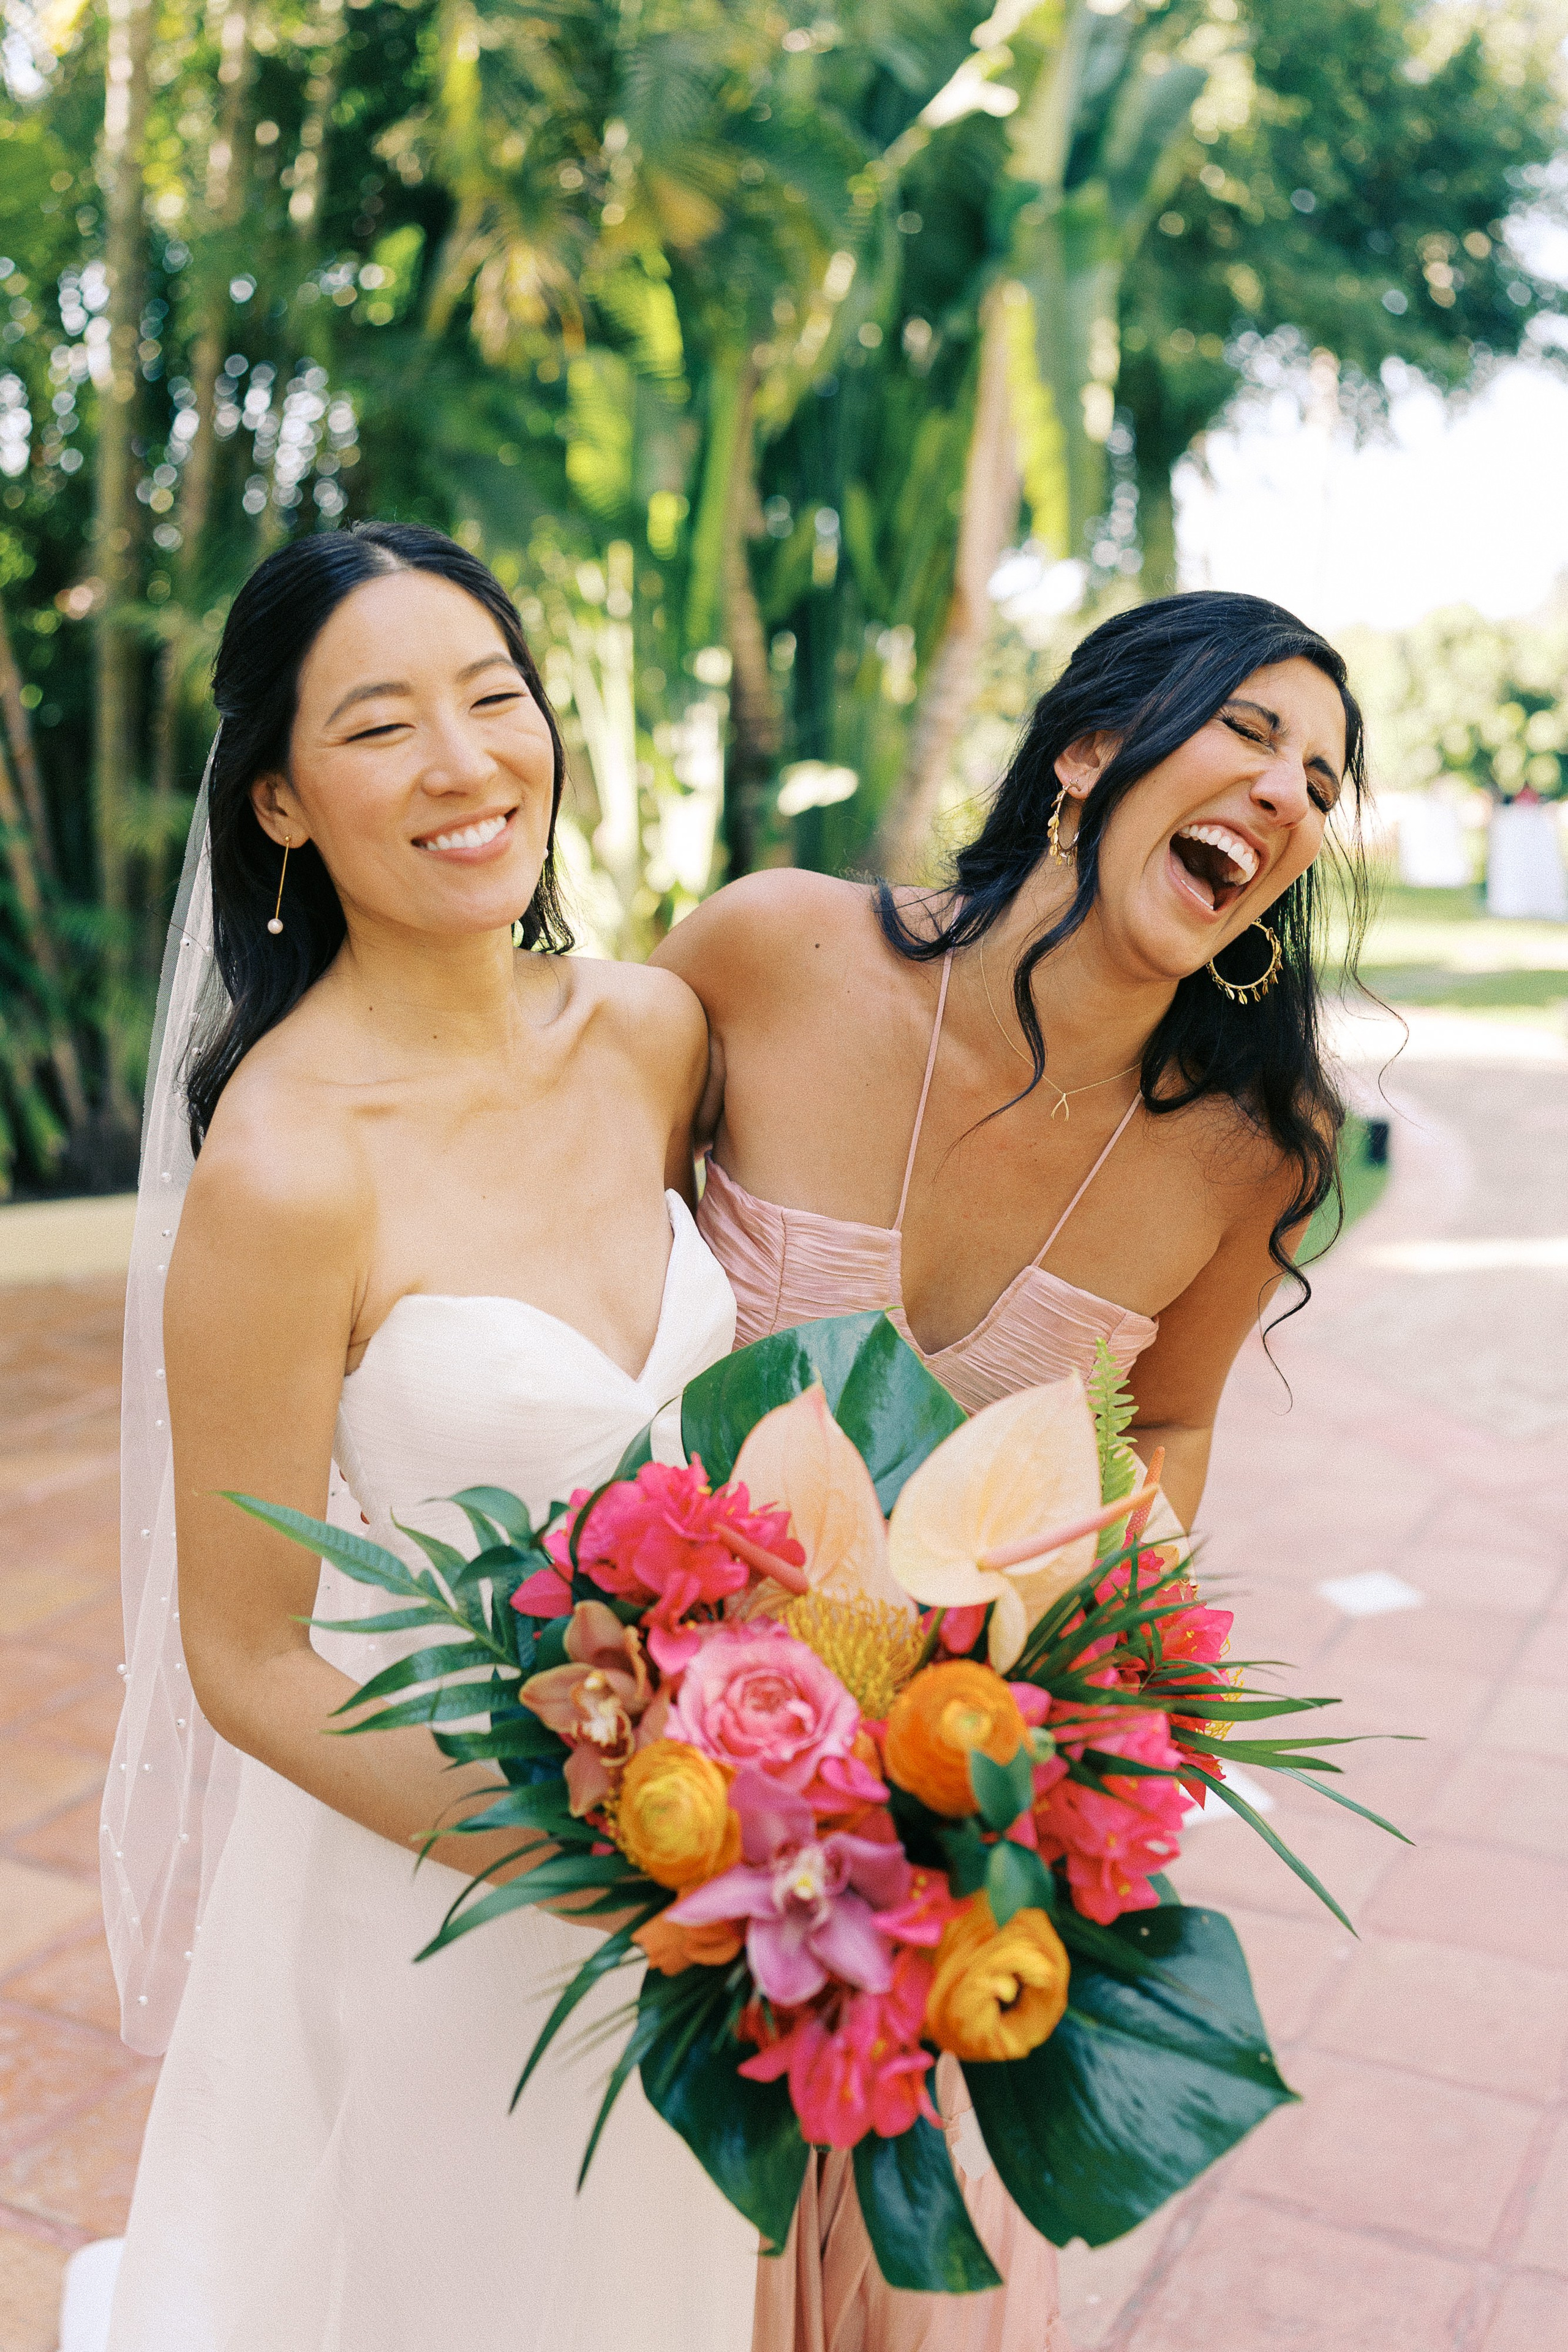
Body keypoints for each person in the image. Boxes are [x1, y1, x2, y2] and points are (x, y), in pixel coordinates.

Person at [653, 589, 1366, 2352]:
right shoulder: (769, 950)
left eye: (1323, 783)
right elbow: (587, 1259)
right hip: (653, 1783)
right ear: (1089, 751)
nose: (1288, 794)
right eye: (1251, 732)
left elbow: (1170, 1425)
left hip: (932, 1832)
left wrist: (1062, 1673)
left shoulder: (1252, 1151)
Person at [102, 523, 760, 2351]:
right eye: (381, 726)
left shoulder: (654, 1034)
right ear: (282, 802)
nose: (465, 765)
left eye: (493, 699)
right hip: (443, 1866)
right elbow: (246, 1660)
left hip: (714, 1823)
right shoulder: (289, 1167)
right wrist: (597, 1863)